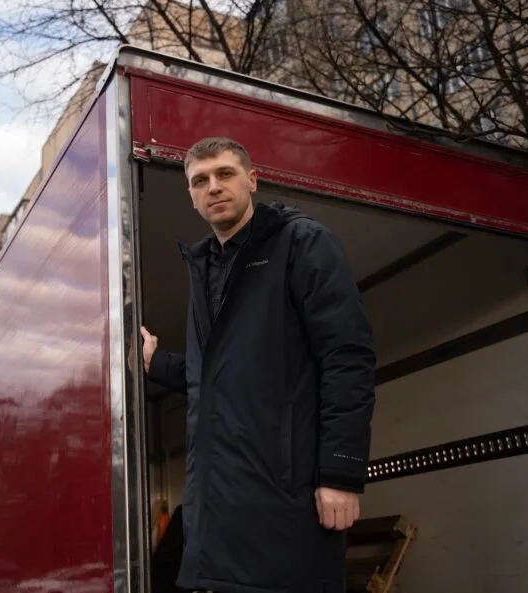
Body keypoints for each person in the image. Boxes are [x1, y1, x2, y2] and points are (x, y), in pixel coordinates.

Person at [141, 136, 376, 593]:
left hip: (285, 502)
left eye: (225, 174)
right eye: (200, 181)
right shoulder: (204, 267)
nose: (213, 187)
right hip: (220, 510)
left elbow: (347, 358)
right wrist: (155, 364)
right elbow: (217, 376)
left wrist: (341, 473)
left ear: (252, 180)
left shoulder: (301, 242)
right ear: (191, 196)